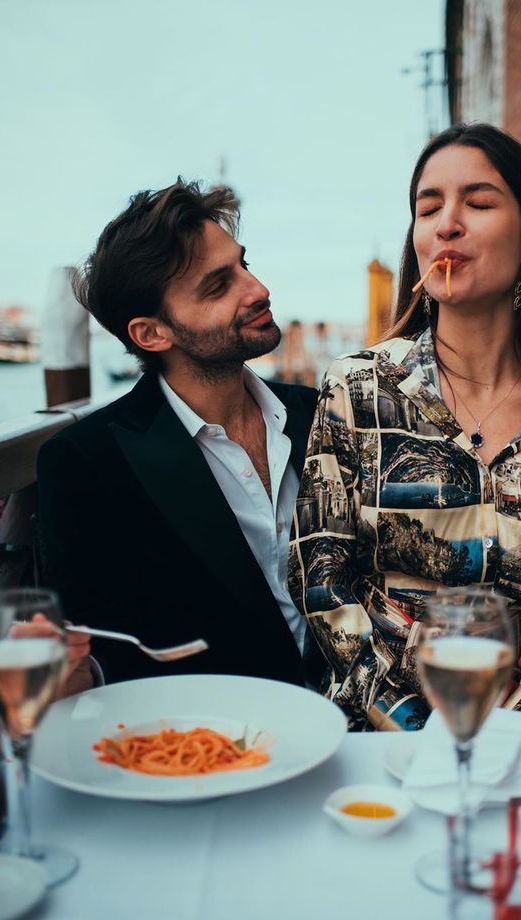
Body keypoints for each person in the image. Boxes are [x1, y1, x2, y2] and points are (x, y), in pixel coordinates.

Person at [289, 124, 521, 732]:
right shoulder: (358, 389)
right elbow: (320, 576)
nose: (446, 224)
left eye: (478, 203)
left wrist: (515, 722)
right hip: (374, 729)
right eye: (427, 206)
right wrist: (419, 718)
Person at [37, 179, 318, 691]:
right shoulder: (87, 462)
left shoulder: (318, 413)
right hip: (214, 746)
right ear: (151, 333)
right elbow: (94, 652)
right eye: (218, 285)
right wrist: (68, 673)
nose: (258, 290)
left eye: (244, 266)